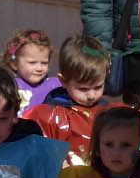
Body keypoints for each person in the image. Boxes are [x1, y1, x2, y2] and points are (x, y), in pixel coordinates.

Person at [25, 34, 111, 166]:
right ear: (63, 81)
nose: (91, 95)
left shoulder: (107, 111)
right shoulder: (50, 114)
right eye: (83, 89)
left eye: (98, 87)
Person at [3, 28, 57, 108]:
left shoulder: (55, 85)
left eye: (44, 63)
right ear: (14, 64)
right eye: (32, 63)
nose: (39, 68)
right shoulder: (10, 88)